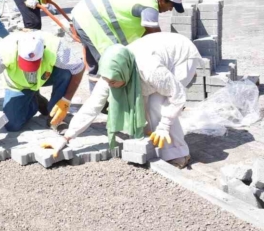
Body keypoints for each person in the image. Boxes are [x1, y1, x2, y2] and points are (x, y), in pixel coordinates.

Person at [57, 33, 202, 168]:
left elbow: (177, 96)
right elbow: (92, 105)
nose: (110, 85)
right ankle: (151, 142)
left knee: (157, 103)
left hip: (182, 56)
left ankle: (179, 153)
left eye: (113, 82)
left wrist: (164, 126)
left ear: (124, 72)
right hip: (157, 52)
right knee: (144, 101)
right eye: (108, 81)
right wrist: (67, 137)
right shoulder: (112, 70)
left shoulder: (150, 70)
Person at [71, 0, 185, 85]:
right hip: (92, 20)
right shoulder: (150, 7)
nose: (170, 10)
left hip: (82, 12)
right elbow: (155, 38)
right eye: (171, 6)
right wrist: (173, 63)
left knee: (98, 68)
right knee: (113, 65)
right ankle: (107, 105)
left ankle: (99, 104)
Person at [0, 31, 85, 133]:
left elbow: (79, 68)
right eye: (26, 63)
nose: (30, 69)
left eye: (34, 63)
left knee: (66, 72)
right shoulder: (5, 51)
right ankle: (34, 101)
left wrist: (66, 100)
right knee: (12, 125)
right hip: (18, 85)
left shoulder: (55, 47)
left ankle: (56, 117)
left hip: (44, 76)